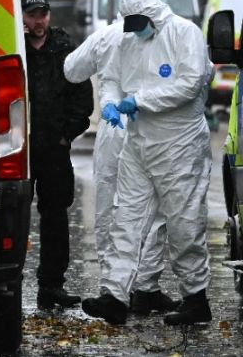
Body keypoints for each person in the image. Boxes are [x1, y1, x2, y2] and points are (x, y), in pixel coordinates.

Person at [82, 0, 213, 326]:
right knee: (126, 218)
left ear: (152, 15)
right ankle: (114, 295)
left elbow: (191, 82)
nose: (134, 31)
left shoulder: (185, 34)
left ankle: (196, 297)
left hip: (179, 144)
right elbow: (112, 79)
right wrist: (110, 103)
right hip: (138, 143)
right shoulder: (129, 41)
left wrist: (140, 100)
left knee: (184, 222)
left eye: (139, 24)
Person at [63, 21, 177, 316]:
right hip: (152, 126)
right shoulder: (167, 34)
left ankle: (112, 290)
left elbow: (72, 69)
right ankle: (145, 287)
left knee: (110, 210)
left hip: (115, 128)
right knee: (153, 210)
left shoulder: (106, 35)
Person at [22, 0, 94, 310]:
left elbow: (82, 95)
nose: (39, 21)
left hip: (53, 148)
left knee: (55, 219)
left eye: (43, 15)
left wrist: (67, 134)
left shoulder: (64, 48)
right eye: (33, 15)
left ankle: (51, 286)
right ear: (22, 17)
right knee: (11, 216)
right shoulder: (12, 46)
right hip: (18, 149)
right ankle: (4, 285)